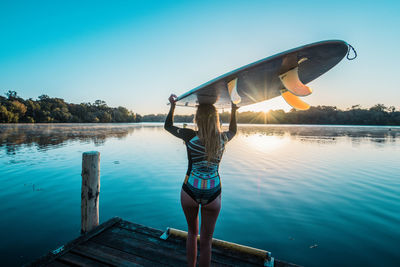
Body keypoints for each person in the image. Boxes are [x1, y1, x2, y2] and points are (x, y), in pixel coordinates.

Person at [164, 94, 238, 267]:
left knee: (191, 233)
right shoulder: (223, 138)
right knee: (207, 240)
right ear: (216, 119)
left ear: (197, 119)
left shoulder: (189, 135)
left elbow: (167, 126)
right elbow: (234, 130)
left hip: (190, 190)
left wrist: (173, 105)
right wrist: (234, 109)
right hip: (213, 193)